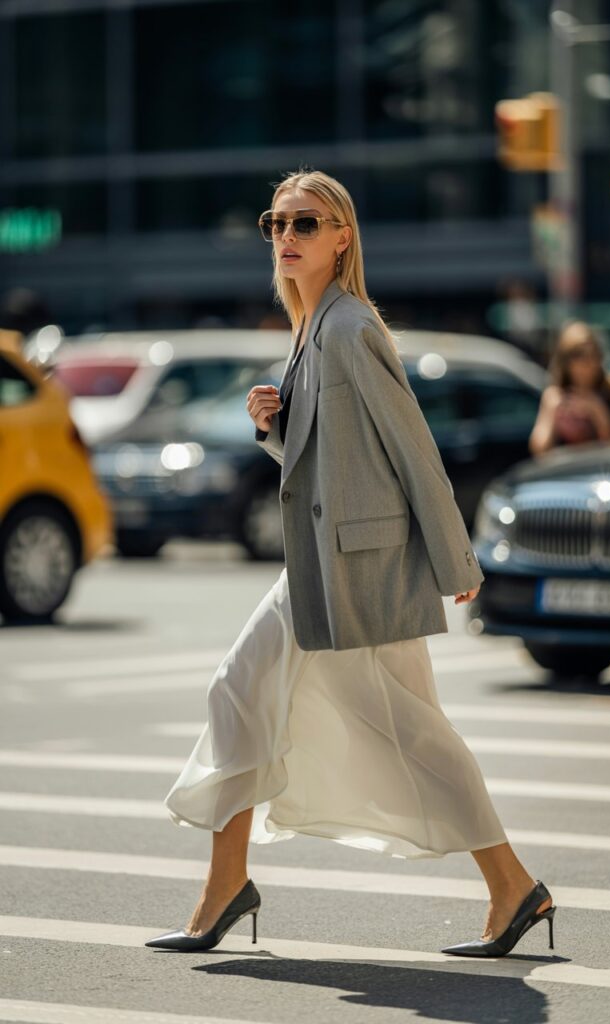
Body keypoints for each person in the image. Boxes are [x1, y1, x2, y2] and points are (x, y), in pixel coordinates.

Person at [145, 169, 555, 959]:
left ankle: (512, 885)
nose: (288, 237)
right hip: (322, 568)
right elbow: (324, 461)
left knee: (399, 729)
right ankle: (225, 885)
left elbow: (412, 447)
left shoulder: (348, 326)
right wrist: (276, 425)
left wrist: (453, 557)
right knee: (245, 693)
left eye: (306, 223)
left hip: (355, 571)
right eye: (277, 223)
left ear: (342, 238)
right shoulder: (309, 329)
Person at [529, 320, 610, 456]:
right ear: (565, 361)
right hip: (568, 473)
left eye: (593, 354)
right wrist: (554, 412)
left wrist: (597, 411)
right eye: (579, 355)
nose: (588, 362)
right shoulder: (554, 396)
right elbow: (539, 451)